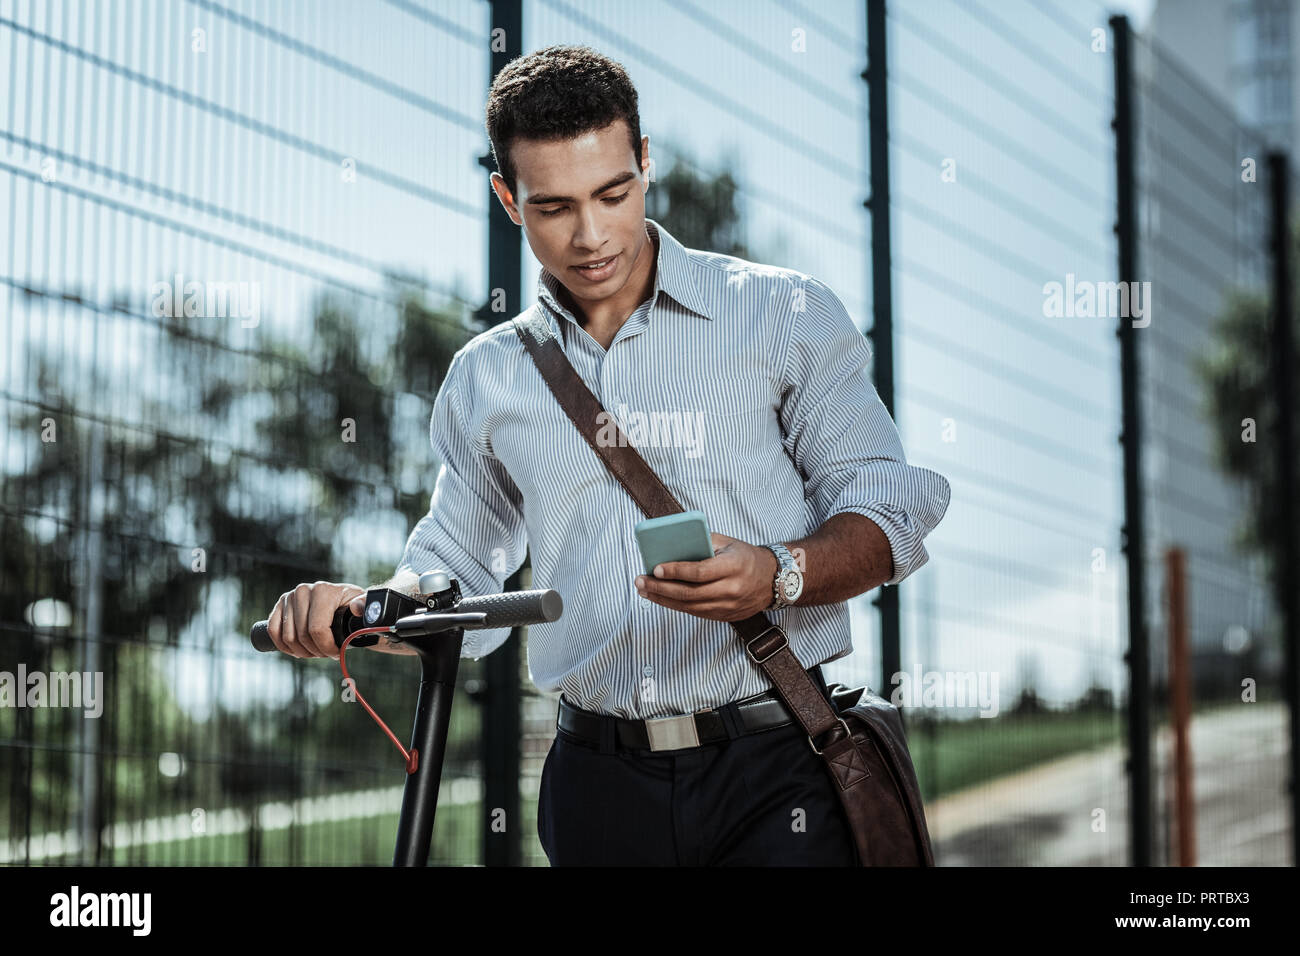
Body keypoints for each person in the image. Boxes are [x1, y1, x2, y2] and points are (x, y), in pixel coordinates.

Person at [265, 44, 951, 866]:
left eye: (613, 193)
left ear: (646, 163)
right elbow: (456, 572)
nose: (592, 236)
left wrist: (779, 572)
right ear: (507, 199)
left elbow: (889, 508)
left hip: (779, 769)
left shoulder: (783, 315)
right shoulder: (488, 378)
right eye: (553, 207)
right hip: (595, 790)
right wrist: (367, 610)